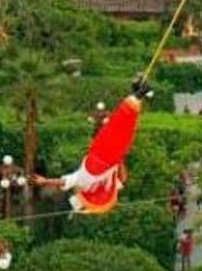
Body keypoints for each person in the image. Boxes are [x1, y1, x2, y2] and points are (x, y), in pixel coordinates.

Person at [33, 78, 150, 214]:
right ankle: (136, 95)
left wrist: (119, 161)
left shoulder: (102, 188)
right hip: (101, 154)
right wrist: (45, 181)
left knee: (125, 128)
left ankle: (137, 96)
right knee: (117, 125)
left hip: (112, 157)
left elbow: (123, 179)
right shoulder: (80, 181)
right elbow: (61, 182)